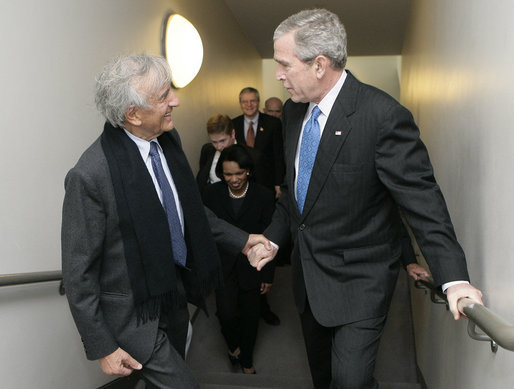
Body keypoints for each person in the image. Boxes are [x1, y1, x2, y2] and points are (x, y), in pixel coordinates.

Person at [246, 9, 484, 389]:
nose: (278, 74)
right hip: (309, 279)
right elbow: (295, 194)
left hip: (362, 280)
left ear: (319, 64)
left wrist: (454, 278)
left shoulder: (382, 116)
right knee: (323, 378)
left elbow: (422, 202)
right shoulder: (292, 113)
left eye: (284, 64)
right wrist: (274, 238)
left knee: (351, 381)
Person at [61, 54, 269, 388]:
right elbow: (77, 273)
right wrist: (102, 346)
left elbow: (189, 212)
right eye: (163, 96)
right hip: (131, 315)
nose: (175, 100)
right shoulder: (90, 176)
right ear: (133, 114)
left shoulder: (166, 141)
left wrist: (243, 241)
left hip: (172, 294)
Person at [196, 113, 281, 326]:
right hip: (220, 226)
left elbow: (262, 198)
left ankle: (263, 306)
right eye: (213, 141)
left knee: (253, 289)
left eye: (222, 141)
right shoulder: (208, 152)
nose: (218, 146)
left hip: (248, 226)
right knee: (227, 300)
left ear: (233, 134)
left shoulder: (252, 157)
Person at [202, 144, 276, 375]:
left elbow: (270, 238)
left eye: (239, 173)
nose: (233, 179)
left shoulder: (263, 196)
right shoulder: (211, 195)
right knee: (226, 313)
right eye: (228, 174)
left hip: (253, 268)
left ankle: (247, 361)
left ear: (248, 171)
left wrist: (267, 274)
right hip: (222, 266)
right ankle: (233, 346)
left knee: (251, 316)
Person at [233, 87, 285, 199]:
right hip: (241, 183)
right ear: (240, 103)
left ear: (258, 102)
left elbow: (278, 156)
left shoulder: (273, 124)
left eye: (253, 101)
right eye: (245, 101)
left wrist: (278, 183)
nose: (249, 104)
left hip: (266, 181)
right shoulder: (233, 124)